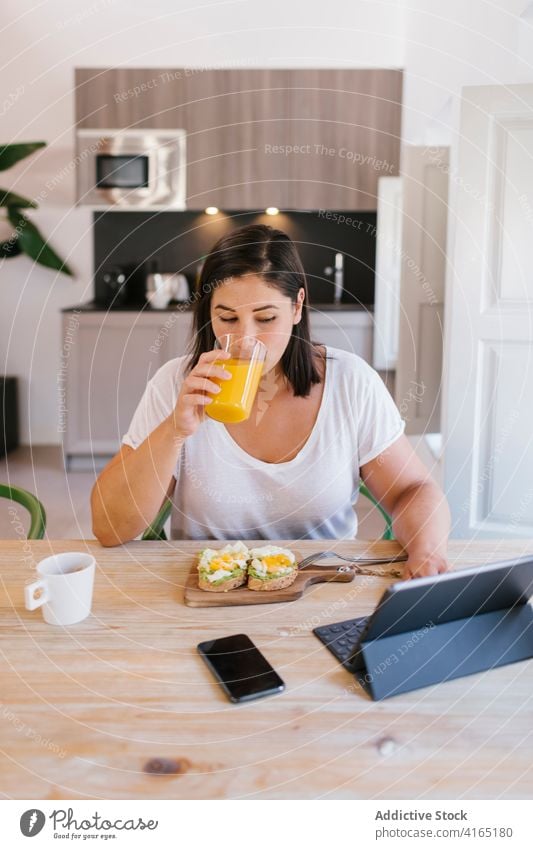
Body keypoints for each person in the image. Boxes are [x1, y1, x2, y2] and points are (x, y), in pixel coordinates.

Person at [91, 224, 450, 579]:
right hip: (213, 589)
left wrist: (427, 550)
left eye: (265, 318)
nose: (245, 338)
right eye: (227, 317)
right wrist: (174, 430)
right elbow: (108, 528)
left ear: (297, 307)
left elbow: (412, 490)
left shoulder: (351, 383)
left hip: (322, 584)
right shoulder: (175, 384)